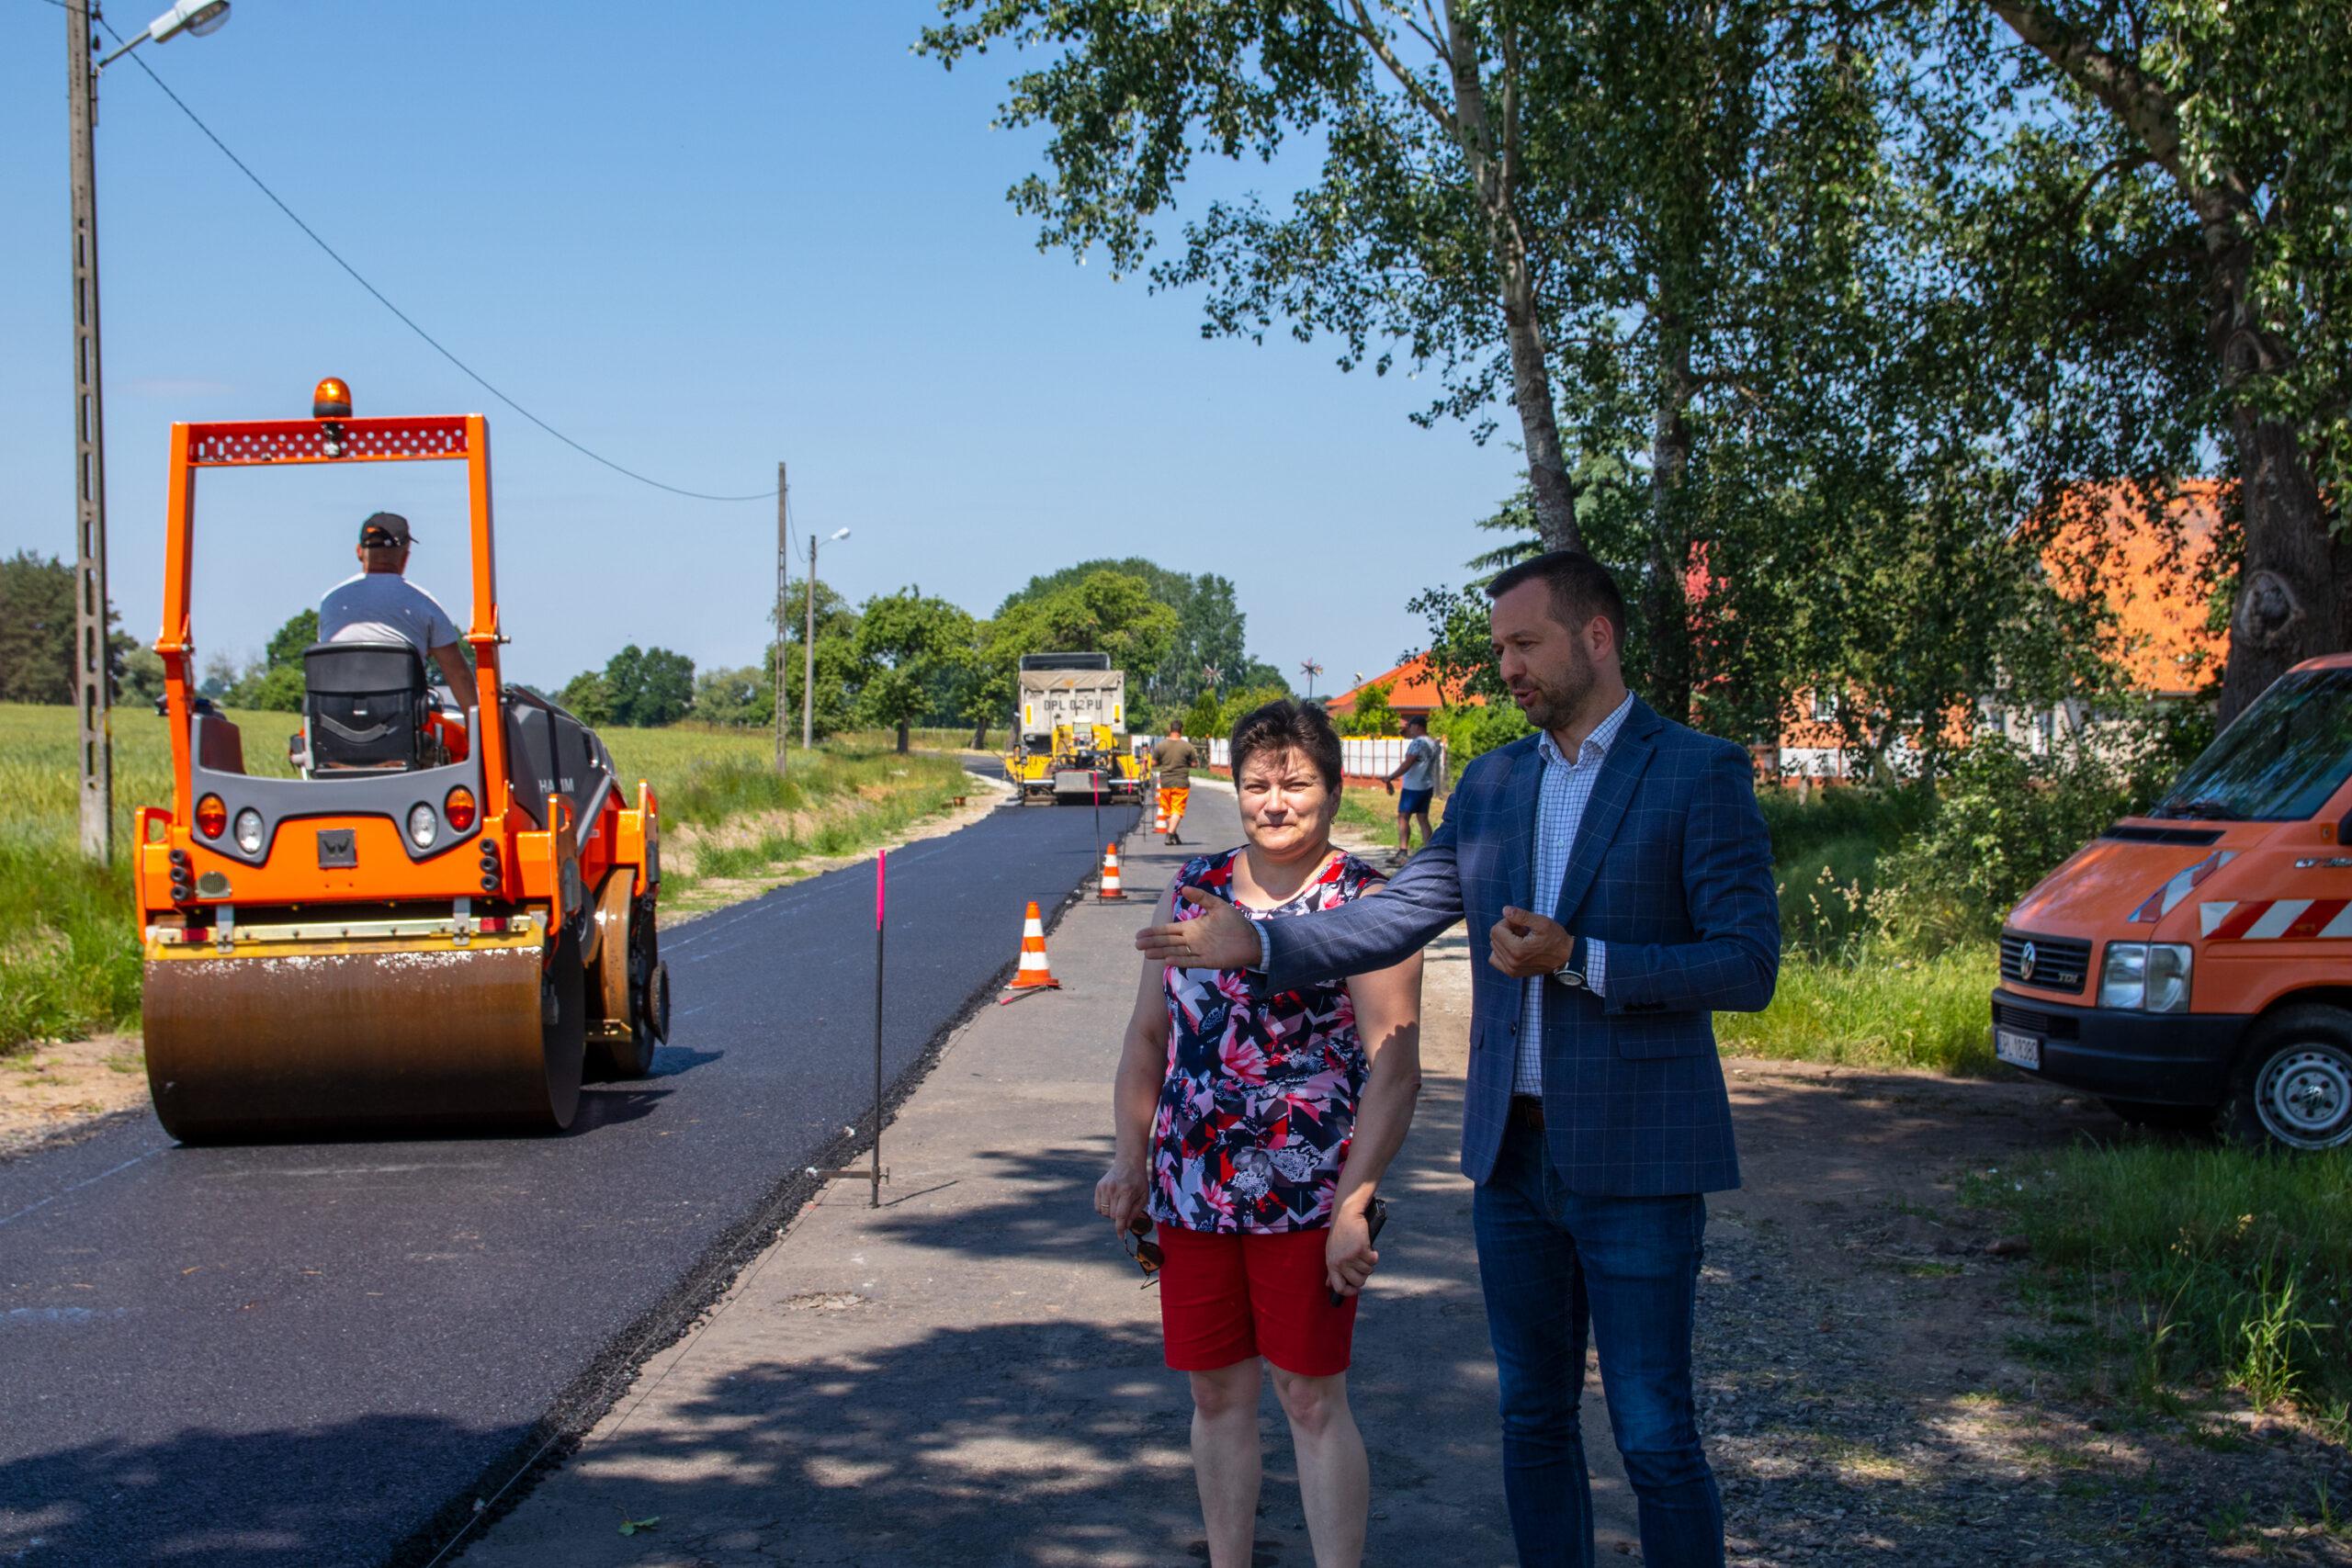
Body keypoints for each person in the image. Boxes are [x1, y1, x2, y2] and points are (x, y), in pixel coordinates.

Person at [1135, 551, 1779, 1568]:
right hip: (1512, 1160)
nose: (1508, 668)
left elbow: (1746, 965)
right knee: (1530, 1421)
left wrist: (1582, 958)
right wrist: (1259, 943)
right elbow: (1389, 916)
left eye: (1525, 645)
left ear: (1595, 637)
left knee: (1653, 1435)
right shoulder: (1495, 782)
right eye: (1500, 649)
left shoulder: (1697, 771)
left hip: (1640, 1160)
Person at [1097, 699, 1423, 1568]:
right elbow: (1147, 1038)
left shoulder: (1367, 903)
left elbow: (1396, 1067)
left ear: (1333, 784)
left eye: (1297, 783)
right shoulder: (1193, 887)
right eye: (1256, 784)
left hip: (1308, 1190)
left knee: (1310, 1398)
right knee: (1215, 1394)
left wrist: (1356, 1200)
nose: (1275, 801)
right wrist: (1130, 1157)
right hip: (1192, 1187)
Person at [317, 511, 474, 708]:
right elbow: (458, 674)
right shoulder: (424, 603)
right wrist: (478, 731)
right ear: (405, 557)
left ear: (359, 551)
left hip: (336, 725)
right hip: (404, 729)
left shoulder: (331, 602)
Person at [1379, 715, 1440, 864]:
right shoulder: (1432, 743)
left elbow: (1408, 763)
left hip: (1413, 787)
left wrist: (1391, 777)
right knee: (1423, 818)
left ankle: (1403, 852)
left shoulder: (1417, 743)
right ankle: (1431, 854)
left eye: (1411, 727)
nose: (1410, 730)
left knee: (1403, 817)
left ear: (1418, 726)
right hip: (1427, 785)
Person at [1152, 720, 1201, 845]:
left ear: (1170, 729)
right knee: (1177, 810)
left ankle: (1173, 833)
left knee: (1168, 811)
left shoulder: (1161, 746)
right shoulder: (1187, 747)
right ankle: (1169, 835)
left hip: (1165, 782)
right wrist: (1187, 763)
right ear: (1181, 730)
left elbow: (1153, 763)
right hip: (1181, 782)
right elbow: (1195, 764)